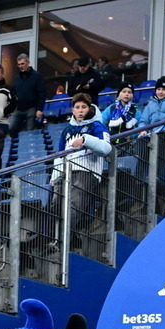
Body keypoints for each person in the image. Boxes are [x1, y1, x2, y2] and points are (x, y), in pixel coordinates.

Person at [49, 92, 111, 249]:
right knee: (56, 205)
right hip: (66, 173)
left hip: (87, 172)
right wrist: (56, 175)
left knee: (74, 206)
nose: (81, 110)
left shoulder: (97, 126)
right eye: (77, 107)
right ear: (72, 110)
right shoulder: (67, 130)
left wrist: (86, 139)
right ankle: (70, 238)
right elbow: (59, 155)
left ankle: (64, 243)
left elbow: (106, 148)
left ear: (90, 109)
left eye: (84, 107)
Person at [7, 53, 46, 137]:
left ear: (28, 63)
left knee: (30, 131)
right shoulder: (17, 78)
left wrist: (40, 109)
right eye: (19, 64)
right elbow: (13, 92)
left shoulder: (37, 76)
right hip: (19, 109)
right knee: (11, 128)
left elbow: (42, 93)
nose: (21, 66)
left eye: (22, 64)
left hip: (31, 108)